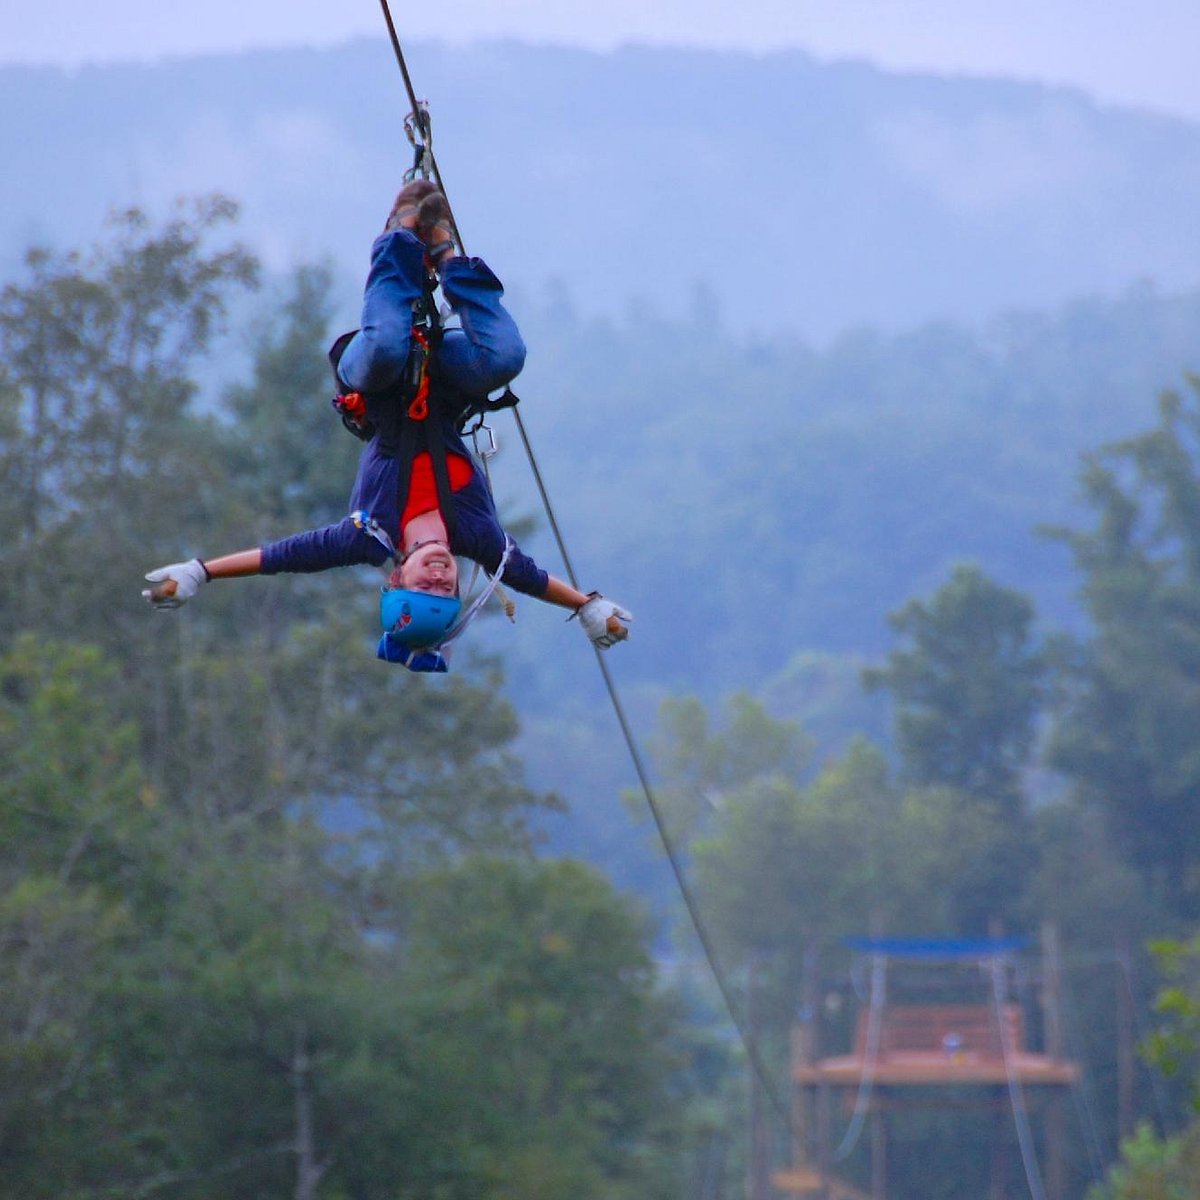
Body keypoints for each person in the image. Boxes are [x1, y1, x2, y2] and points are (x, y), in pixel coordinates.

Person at [143, 180, 630, 671]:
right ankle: (443, 255)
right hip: (443, 380)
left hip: (375, 378)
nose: (440, 576)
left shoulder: (368, 535)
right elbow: (529, 577)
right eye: (446, 588)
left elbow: (281, 557)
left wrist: (200, 572)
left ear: (397, 580)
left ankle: (399, 236)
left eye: (426, 586)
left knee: (385, 347)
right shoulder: (477, 536)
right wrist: (587, 605)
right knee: (506, 357)